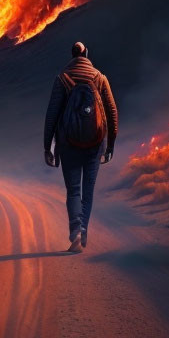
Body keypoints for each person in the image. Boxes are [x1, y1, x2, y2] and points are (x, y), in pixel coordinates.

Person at [44, 41, 118, 253]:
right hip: (96, 143)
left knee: (73, 190)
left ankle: (76, 230)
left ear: (72, 55)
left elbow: (52, 114)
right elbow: (112, 112)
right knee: (88, 190)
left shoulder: (63, 79)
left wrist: (47, 147)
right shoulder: (100, 78)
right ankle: (83, 229)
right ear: (87, 54)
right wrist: (110, 144)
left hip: (68, 144)